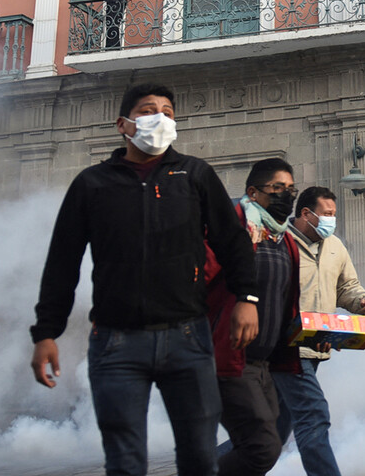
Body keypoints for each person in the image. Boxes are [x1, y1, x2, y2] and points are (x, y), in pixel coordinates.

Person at [30, 83, 259, 476]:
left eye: (169, 112)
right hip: (116, 343)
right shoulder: (92, 184)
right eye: (149, 110)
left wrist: (247, 299)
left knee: (201, 458)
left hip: (187, 338)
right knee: (124, 461)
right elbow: (62, 262)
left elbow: (232, 241)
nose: (161, 118)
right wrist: (46, 333)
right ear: (124, 124)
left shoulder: (195, 175)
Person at [206, 158, 304, 476]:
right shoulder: (232, 229)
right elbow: (198, 277)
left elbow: (283, 301)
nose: (287, 196)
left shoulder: (284, 239)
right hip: (232, 358)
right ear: (253, 192)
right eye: (278, 188)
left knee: (263, 443)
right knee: (262, 447)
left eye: (291, 189)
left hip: (267, 364)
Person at [273, 185, 365, 476]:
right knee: (314, 415)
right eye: (327, 214)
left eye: (334, 214)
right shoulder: (280, 242)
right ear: (306, 214)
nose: (332, 220)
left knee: (270, 436)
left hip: (317, 345)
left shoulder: (335, 246)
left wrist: (364, 301)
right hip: (285, 349)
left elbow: (347, 287)